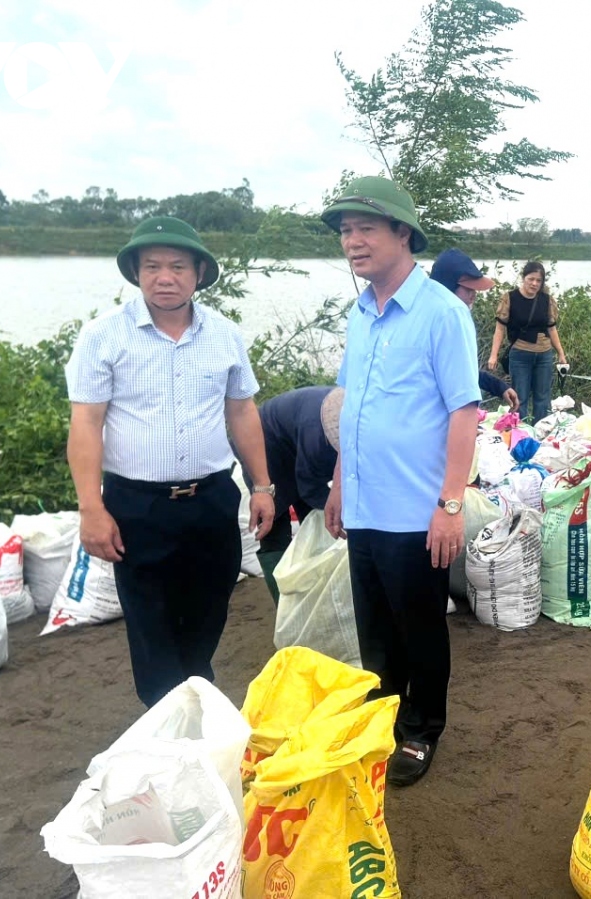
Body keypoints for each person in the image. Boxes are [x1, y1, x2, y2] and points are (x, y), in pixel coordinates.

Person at [65, 216, 275, 707]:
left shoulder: (224, 335)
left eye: (178, 266)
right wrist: (90, 508)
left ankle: (194, 698)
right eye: (153, 266)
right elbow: (86, 425)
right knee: (150, 623)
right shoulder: (103, 336)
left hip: (211, 500)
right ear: (136, 273)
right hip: (137, 506)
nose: (165, 277)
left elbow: (242, 411)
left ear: (199, 272)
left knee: (209, 611)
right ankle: (167, 725)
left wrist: (262, 486)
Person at [321, 176, 480, 787]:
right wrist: (339, 482)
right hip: (363, 502)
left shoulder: (441, 312)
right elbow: (352, 403)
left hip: (416, 509)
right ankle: (384, 718)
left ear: (401, 233)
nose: (353, 243)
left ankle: (421, 730)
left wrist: (450, 504)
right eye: (345, 232)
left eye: (365, 229)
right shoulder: (361, 313)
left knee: (419, 627)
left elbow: (464, 410)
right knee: (376, 628)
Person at [247, 386, 343, 602]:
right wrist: (338, 512)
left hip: (294, 441)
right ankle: (286, 604)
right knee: (274, 523)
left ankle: (316, 592)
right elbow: (308, 485)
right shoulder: (317, 437)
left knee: (314, 521)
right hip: (264, 447)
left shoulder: (348, 415)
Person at [430, 247, 519, 412]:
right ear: (446, 288)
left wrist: (499, 387)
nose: (474, 295)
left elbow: (464, 371)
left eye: (475, 289)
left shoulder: (454, 321)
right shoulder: (431, 325)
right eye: (468, 289)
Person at [487, 262, 568, 423]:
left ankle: (541, 431)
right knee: (519, 397)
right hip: (520, 354)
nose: (534, 284)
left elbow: (552, 329)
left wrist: (561, 353)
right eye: (531, 279)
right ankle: (521, 432)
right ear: (523, 278)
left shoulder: (546, 300)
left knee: (542, 398)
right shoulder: (510, 298)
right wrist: (493, 355)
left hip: (544, 354)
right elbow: (500, 329)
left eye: (539, 280)